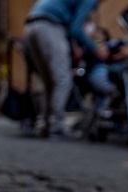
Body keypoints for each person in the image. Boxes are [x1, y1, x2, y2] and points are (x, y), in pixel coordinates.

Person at [25, 0, 109, 137]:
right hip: (50, 25)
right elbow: (77, 28)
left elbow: (71, 27)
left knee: (49, 81)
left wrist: (72, 43)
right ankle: (55, 126)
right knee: (63, 79)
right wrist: (95, 48)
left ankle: (46, 124)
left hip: (32, 24)